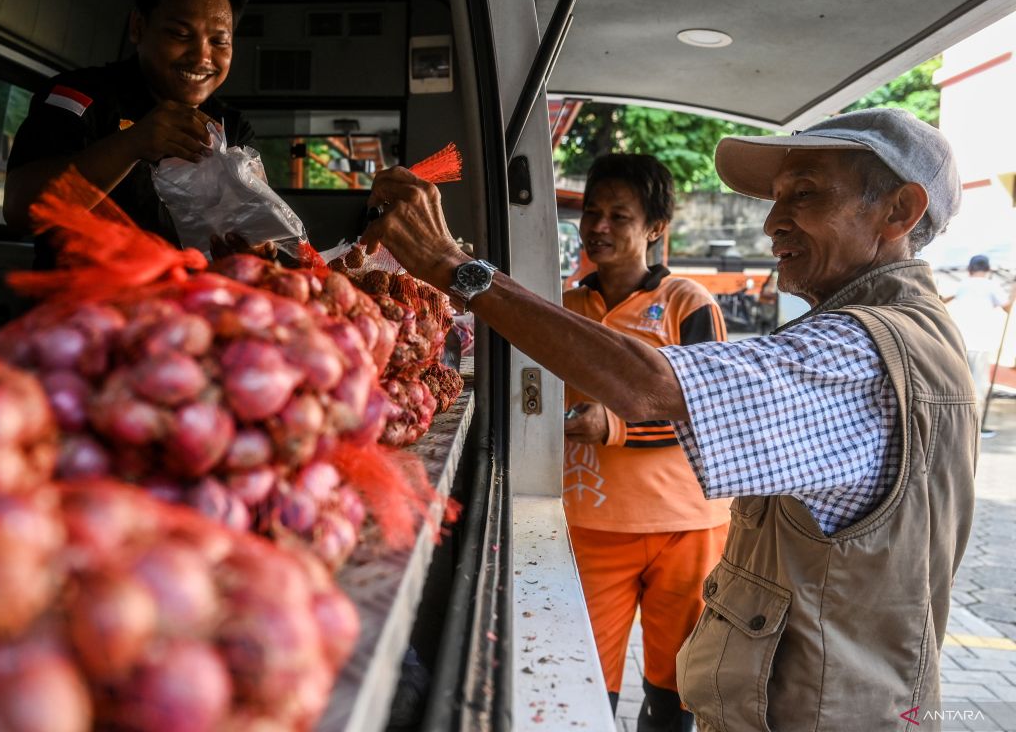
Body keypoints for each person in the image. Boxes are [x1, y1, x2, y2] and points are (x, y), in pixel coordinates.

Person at [363, 107, 976, 732]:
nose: (771, 222)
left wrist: (453, 268)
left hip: (811, 707)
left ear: (899, 212)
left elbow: (652, 389)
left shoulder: (860, 353)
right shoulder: (896, 335)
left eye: (806, 194)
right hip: (792, 689)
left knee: (664, 689)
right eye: (778, 198)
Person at [561, 153, 729, 731]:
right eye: (591, 212)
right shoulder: (564, 306)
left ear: (655, 228)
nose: (598, 227)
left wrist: (613, 425)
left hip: (687, 527)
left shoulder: (689, 303)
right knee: (584, 685)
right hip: (590, 525)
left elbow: (710, 411)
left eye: (619, 215)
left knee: (674, 693)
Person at [3, 0, 253, 264]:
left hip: (189, 310)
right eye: (180, 34)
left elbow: (247, 231)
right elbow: (21, 211)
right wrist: (133, 143)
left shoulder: (231, 127)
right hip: (83, 307)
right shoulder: (81, 97)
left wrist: (253, 247)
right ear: (138, 27)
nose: (202, 56)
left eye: (219, 41)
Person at [944, 254, 1013, 437]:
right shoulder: (992, 285)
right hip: (980, 343)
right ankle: (975, 428)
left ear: (970, 269)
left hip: (958, 342)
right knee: (978, 387)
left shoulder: (961, 284)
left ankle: (955, 425)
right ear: (988, 270)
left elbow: (941, 300)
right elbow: (1008, 308)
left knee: (958, 384)